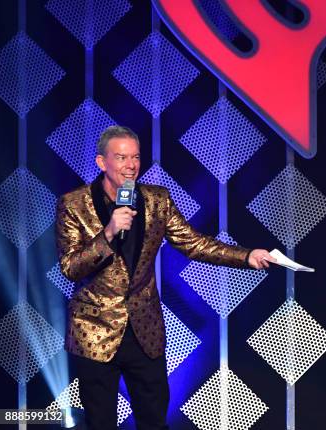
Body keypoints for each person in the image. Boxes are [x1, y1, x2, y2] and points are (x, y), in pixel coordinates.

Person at [56, 125, 275, 430]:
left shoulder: (157, 200)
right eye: (121, 158)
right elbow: (70, 267)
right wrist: (108, 233)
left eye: (135, 157)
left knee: (155, 421)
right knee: (100, 422)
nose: (131, 165)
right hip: (94, 330)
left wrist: (246, 256)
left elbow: (193, 242)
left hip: (145, 330)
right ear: (101, 163)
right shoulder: (74, 204)